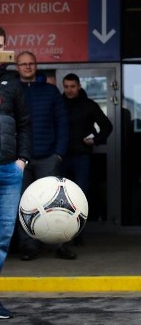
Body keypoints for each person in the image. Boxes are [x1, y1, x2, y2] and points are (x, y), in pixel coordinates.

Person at [14, 51, 72, 261]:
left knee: (55, 203)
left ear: (36, 66)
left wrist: (58, 153)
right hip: (20, 159)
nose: (27, 67)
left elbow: (62, 123)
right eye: (23, 64)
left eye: (31, 64)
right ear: (17, 67)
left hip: (48, 157)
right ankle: (28, 246)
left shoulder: (50, 91)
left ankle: (60, 245)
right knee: (25, 204)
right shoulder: (12, 90)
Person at [0, 27, 32, 319]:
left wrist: (22, 159)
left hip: (10, 170)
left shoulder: (13, 84)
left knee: (2, 237)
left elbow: (24, 124)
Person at [61, 73, 114, 232]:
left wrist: (95, 140)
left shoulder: (89, 105)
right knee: (61, 198)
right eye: (66, 87)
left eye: (72, 86)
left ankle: (78, 232)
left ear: (79, 87)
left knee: (80, 196)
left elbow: (107, 126)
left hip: (82, 156)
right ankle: (63, 231)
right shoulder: (58, 104)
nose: (69, 90)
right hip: (61, 156)